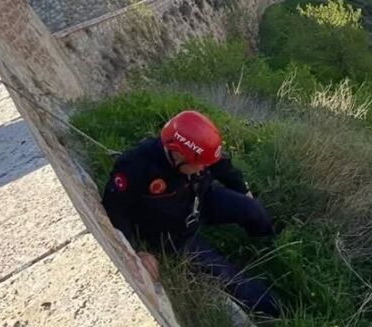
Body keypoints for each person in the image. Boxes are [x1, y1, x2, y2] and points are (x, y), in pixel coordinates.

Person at [102, 110, 280, 316]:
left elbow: (223, 167)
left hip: (202, 200)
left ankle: (270, 245)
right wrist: (134, 251)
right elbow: (115, 209)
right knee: (229, 277)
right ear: (178, 155)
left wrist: (244, 192)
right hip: (172, 234)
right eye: (200, 164)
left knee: (252, 209)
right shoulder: (137, 167)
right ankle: (281, 312)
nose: (204, 168)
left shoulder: (199, 155)